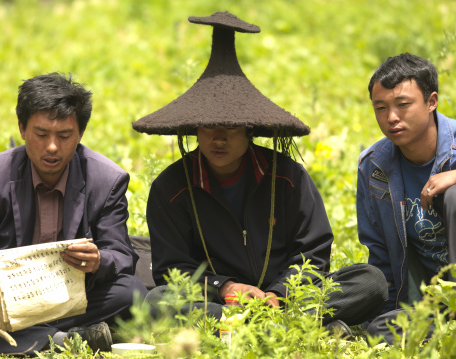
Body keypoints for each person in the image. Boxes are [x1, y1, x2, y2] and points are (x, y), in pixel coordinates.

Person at [133, 11, 388, 333]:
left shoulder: (288, 177)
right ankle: (290, 327)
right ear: (195, 130)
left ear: (250, 130)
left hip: (284, 297)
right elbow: (172, 270)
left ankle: (268, 322)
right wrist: (224, 288)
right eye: (208, 128)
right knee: (158, 301)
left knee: (370, 281)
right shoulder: (171, 188)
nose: (218, 138)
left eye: (231, 128)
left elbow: (313, 253)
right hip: (217, 303)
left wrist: (280, 293)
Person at [0, 73, 147, 354]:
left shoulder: (107, 180)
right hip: (8, 297)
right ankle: (66, 338)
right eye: (41, 134)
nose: (52, 147)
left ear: (80, 134)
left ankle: (0, 336)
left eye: (64, 136)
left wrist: (98, 260)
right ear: (22, 129)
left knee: (132, 292)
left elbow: (121, 255)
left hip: (73, 296)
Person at [357, 52, 456, 344]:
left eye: (403, 105)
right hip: (432, 302)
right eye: (381, 108)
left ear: (431, 102)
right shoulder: (374, 167)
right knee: (380, 330)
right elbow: (380, 253)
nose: (391, 118)